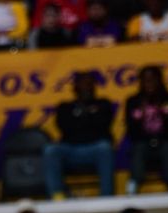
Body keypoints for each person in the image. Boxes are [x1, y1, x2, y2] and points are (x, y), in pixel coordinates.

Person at [44, 71, 116, 199]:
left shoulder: (104, 104)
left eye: (89, 84)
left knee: (105, 147)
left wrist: (80, 117)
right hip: (70, 150)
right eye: (83, 84)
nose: (86, 88)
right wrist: (89, 116)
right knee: (51, 150)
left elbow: (103, 125)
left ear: (94, 87)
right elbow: (65, 128)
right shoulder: (64, 107)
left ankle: (106, 197)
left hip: (95, 150)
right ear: (75, 88)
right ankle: (58, 196)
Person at [125, 66, 168, 195]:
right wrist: (140, 114)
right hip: (143, 142)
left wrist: (162, 111)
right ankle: (133, 185)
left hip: (165, 140)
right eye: (145, 80)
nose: (149, 83)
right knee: (138, 148)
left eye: (152, 79)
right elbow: (130, 130)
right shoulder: (133, 101)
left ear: (159, 80)